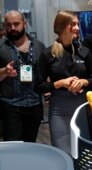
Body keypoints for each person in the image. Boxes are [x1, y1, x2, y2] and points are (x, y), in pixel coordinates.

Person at [35, 11, 92, 154]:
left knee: (82, 152)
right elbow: (37, 86)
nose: (77, 27)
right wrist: (59, 83)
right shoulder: (47, 54)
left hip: (81, 107)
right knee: (62, 152)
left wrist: (83, 81)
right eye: (73, 24)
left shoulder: (84, 51)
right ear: (62, 26)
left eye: (77, 24)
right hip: (59, 111)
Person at [0, 10, 46, 142]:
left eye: (16, 24)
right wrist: (4, 72)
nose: (12, 28)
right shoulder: (1, 47)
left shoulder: (39, 46)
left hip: (35, 105)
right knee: (13, 147)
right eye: (9, 25)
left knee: (31, 144)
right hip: (11, 106)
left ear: (24, 24)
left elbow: (45, 73)